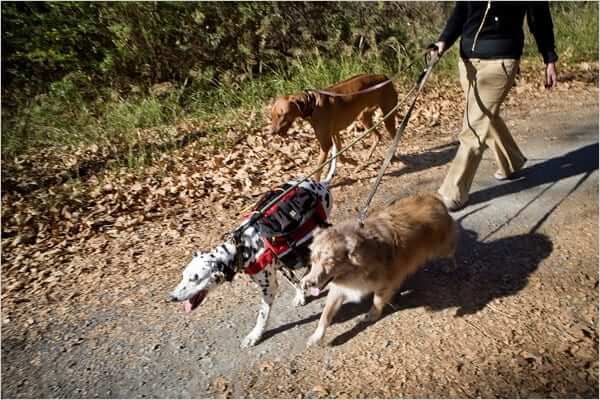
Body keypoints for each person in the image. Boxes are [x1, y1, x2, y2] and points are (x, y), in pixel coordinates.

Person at [431, 1, 558, 211]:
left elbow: (540, 19)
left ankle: (452, 193)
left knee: (474, 127)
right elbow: (462, 10)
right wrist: (443, 41)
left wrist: (549, 59)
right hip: (468, 61)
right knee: (483, 117)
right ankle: (511, 161)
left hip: (501, 61)